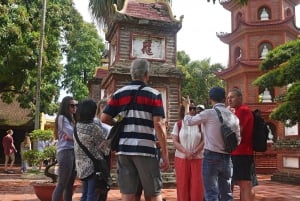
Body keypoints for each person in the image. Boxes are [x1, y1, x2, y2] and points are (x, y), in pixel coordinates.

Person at [100, 58, 169, 201]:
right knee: (153, 193)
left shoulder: (120, 93)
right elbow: (158, 124)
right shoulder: (154, 94)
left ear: (132, 74)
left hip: (124, 149)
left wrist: (120, 124)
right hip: (145, 150)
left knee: (128, 194)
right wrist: (165, 153)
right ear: (146, 74)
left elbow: (104, 118)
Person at [183, 87, 241, 201]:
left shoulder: (208, 113)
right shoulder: (233, 117)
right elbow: (238, 141)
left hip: (211, 157)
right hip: (227, 158)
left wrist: (186, 107)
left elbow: (188, 121)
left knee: (211, 194)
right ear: (224, 99)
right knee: (227, 194)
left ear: (210, 99)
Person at [74, 99, 110, 201]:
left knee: (85, 194)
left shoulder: (77, 126)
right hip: (94, 166)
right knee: (92, 195)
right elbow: (105, 150)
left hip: (81, 166)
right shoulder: (94, 127)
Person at [171, 102, 204, 201]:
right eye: (190, 108)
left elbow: (204, 140)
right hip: (181, 158)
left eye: (194, 108)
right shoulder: (179, 124)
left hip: (197, 158)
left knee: (197, 186)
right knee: (182, 185)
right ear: (185, 110)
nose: (193, 110)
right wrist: (186, 152)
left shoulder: (200, 124)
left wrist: (195, 151)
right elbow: (175, 141)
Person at [227, 87, 255, 201]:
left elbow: (238, 131)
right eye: (228, 98)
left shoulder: (242, 110)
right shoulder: (239, 110)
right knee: (242, 184)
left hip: (241, 153)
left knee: (244, 185)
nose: (229, 100)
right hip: (239, 152)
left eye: (232, 97)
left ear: (240, 98)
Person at [52, 96, 77, 201]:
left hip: (72, 151)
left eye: (76, 105)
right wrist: (73, 136)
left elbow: (73, 135)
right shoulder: (62, 117)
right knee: (62, 183)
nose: (75, 107)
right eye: (72, 105)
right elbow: (72, 134)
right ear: (66, 107)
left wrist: (73, 136)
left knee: (69, 185)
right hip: (66, 152)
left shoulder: (72, 119)